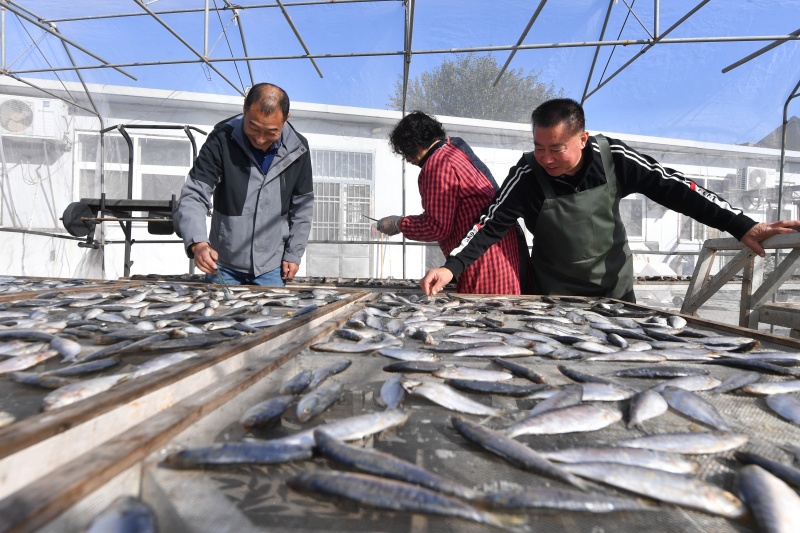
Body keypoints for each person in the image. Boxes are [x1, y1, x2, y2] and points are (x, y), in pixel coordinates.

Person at [420, 98, 800, 301]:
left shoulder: (614, 159)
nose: (547, 158)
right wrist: (452, 267)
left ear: (582, 139)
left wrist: (742, 224)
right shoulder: (527, 174)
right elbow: (490, 222)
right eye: (539, 147)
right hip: (553, 295)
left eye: (557, 148)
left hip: (615, 291)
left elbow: (678, 189)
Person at [174, 83, 314, 286]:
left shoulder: (298, 149)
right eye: (253, 127)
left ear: (286, 119)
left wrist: (294, 253)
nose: (260, 139)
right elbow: (195, 194)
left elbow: (303, 207)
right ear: (244, 109)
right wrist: (198, 242)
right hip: (223, 264)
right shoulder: (221, 140)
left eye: (271, 132)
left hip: (271, 267)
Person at [375, 111, 529, 294]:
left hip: (483, 263)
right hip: (501, 255)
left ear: (414, 142)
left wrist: (399, 223)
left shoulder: (437, 164)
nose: (407, 159)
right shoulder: (455, 150)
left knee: (487, 315)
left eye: (405, 151)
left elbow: (436, 227)